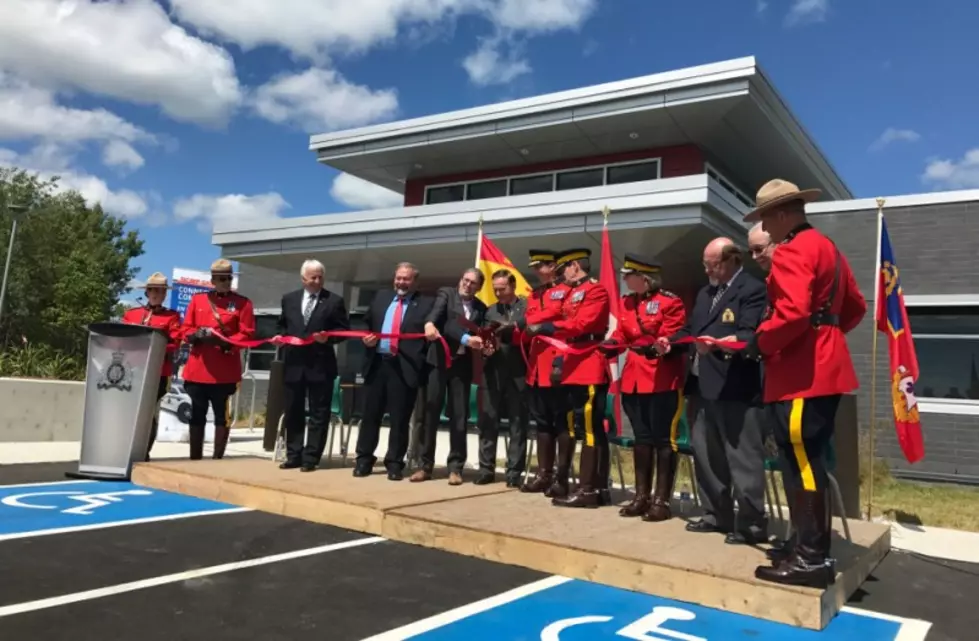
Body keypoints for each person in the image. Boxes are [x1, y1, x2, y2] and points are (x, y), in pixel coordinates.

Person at [739, 178, 866, 588]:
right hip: (824, 364)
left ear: (780, 214)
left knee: (801, 464)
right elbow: (855, 307)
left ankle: (812, 559)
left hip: (800, 372)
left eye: (765, 220)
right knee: (805, 460)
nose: (766, 230)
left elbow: (792, 313)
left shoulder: (793, 250)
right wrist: (825, 331)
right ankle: (803, 546)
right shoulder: (829, 249)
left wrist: (761, 342)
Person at [656, 238, 769, 544]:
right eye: (705, 263)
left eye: (713, 264)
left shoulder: (752, 289)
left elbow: (749, 334)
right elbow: (692, 331)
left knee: (742, 458)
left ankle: (751, 524)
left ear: (732, 260)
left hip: (736, 385)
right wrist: (670, 341)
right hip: (701, 385)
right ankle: (716, 514)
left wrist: (718, 345)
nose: (707, 269)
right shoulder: (706, 293)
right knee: (707, 454)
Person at [602, 254, 686, 521]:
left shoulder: (670, 302)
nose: (625, 279)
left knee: (663, 439)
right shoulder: (627, 302)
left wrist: (658, 345)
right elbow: (622, 334)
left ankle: (661, 500)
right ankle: (641, 497)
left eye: (629, 275)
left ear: (644, 278)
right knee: (641, 439)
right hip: (634, 379)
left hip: (661, 378)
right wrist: (611, 343)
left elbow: (672, 335)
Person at [525, 248, 610, 508]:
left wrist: (552, 326)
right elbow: (558, 315)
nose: (562, 276)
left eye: (563, 270)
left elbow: (583, 323)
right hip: (572, 363)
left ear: (575, 266)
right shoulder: (572, 293)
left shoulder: (596, 290)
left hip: (589, 361)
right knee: (578, 427)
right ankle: (584, 486)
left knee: (590, 429)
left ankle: (589, 490)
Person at [354, 262, 435, 481]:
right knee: (370, 415)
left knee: (400, 420)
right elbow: (366, 323)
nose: (401, 282)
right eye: (398, 278)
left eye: (406, 279)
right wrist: (366, 337)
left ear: (415, 282)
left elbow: (431, 333)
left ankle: (394, 463)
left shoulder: (426, 304)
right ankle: (364, 460)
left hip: (405, 367)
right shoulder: (381, 297)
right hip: (377, 364)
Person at [275, 259, 350, 472]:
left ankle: (311, 457)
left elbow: (343, 330)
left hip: (321, 365)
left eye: (320, 277)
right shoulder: (289, 300)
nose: (317, 281)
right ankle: (293, 454)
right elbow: (282, 324)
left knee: (319, 413)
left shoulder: (334, 301)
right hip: (294, 365)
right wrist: (279, 336)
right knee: (293, 411)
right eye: (313, 277)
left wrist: (329, 339)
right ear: (303, 278)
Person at [415, 268, 488, 485]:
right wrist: (429, 323)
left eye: (473, 283)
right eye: (465, 280)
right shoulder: (446, 294)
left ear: (479, 287)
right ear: (460, 280)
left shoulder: (481, 308)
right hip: (437, 363)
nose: (468, 285)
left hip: (462, 367)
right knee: (430, 413)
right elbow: (442, 321)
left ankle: (455, 468)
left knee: (459, 416)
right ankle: (424, 466)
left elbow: (482, 333)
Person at [179, 259, 255, 460]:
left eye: (229, 278)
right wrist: (196, 335)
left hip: (224, 369)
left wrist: (225, 342)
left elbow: (247, 334)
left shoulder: (243, 303)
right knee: (197, 414)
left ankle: (217, 459)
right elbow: (185, 329)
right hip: (198, 368)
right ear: (212, 280)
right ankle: (195, 458)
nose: (226, 282)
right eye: (221, 279)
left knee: (222, 416)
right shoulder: (198, 300)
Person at [515, 249, 569, 496]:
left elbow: (559, 318)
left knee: (561, 424)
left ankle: (562, 477)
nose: (536, 271)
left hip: (558, 366)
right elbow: (529, 322)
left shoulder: (567, 291)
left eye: (541, 266)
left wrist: (533, 322)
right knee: (542, 424)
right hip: (536, 368)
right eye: (535, 267)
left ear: (554, 266)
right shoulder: (534, 294)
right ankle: (544, 474)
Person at [476, 269, 530, 487]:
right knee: (488, 422)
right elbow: (484, 340)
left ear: (513, 286)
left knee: (518, 423)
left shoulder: (526, 308)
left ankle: (514, 472)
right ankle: (486, 469)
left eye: (502, 288)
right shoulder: (490, 311)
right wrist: (485, 348)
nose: (498, 293)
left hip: (519, 373)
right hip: (493, 372)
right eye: (495, 289)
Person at [121, 272, 181, 462]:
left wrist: (156, 346)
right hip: (132, 371)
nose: (156, 294)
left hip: (157, 373)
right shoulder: (132, 314)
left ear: (165, 294)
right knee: (129, 412)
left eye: (160, 291)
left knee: (149, 413)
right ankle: (124, 450)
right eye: (153, 290)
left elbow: (175, 342)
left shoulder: (171, 317)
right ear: (147, 292)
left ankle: (143, 452)